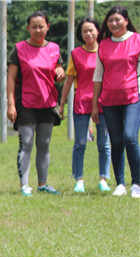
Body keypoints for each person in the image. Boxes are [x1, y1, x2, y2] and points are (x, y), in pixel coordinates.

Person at [7, 10, 65, 196]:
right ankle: (25, 186)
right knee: (26, 144)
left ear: (48, 27)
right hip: (26, 105)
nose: (38, 30)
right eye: (34, 27)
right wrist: (10, 104)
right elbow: (11, 78)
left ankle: (42, 184)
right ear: (28, 28)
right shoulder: (19, 49)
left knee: (44, 145)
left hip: (48, 104)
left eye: (41, 26)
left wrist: (61, 72)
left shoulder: (54, 49)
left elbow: (58, 69)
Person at [58, 17, 112, 194]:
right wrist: (62, 102)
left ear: (98, 31)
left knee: (104, 144)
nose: (88, 33)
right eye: (84, 31)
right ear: (80, 34)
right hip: (81, 102)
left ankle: (103, 178)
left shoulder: (106, 50)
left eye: (91, 30)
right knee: (80, 143)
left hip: (103, 102)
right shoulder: (75, 54)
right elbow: (69, 79)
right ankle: (79, 179)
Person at [92, 5, 140, 198]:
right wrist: (95, 103)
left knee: (130, 137)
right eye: (110, 20)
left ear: (126, 21)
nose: (114, 23)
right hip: (109, 100)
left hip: (132, 98)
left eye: (118, 19)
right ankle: (120, 183)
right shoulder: (103, 44)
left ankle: (136, 183)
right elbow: (98, 75)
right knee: (117, 141)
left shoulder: (137, 41)